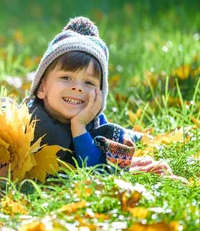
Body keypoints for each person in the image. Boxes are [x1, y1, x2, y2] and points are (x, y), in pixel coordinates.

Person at [24, 16, 176, 176]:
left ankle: (135, 136)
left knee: (120, 141)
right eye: (66, 78)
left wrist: (79, 126)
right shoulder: (27, 120)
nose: (77, 87)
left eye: (89, 82)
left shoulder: (96, 126)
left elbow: (95, 170)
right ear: (42, 87)